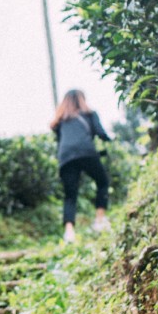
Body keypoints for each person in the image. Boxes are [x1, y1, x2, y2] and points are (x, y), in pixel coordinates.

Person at [51, 89, 111, 244]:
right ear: (82, 99)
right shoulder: (90, 114)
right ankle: (99, 221)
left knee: (70, 196)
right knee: (102, 182)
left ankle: (69, 232)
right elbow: (101, 133)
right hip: (86, 152)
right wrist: (109, 141)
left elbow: (60, 141)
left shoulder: (61, 120)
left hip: (66, 157)